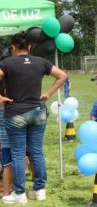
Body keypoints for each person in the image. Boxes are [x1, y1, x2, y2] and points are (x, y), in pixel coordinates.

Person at [0, 32, 66, 204]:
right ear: (29, 47)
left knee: (18, 153)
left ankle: (20, 194)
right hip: (37, 112)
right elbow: (62, 76)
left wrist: (0, 98)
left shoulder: (6, 63)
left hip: (15, 114)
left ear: (13, 47)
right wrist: (48, 94)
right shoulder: (40, 61)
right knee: (37, 151)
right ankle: (40, 190)